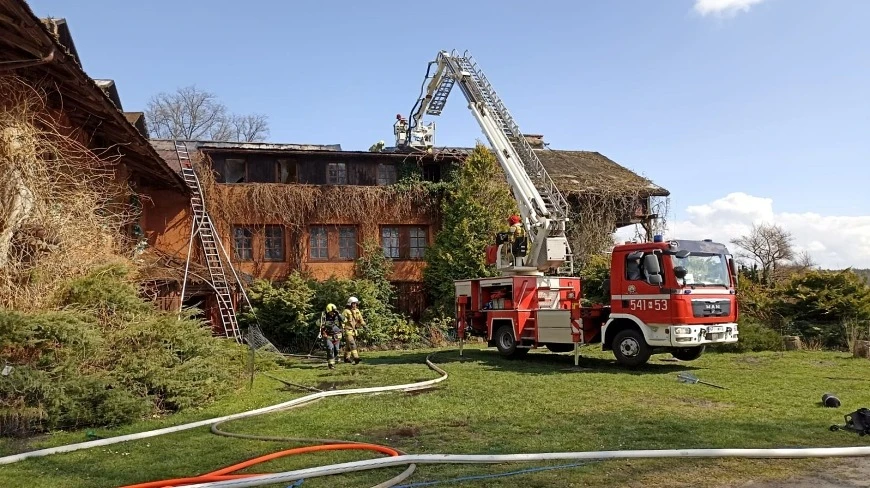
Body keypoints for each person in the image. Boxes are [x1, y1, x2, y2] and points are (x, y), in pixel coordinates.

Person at [342, 296, 365, 364]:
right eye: (353, 303)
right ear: (350, 304)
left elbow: (361, 319)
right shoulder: (346, 311)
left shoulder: (357, 311)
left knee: (349, 345)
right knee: (352, 343)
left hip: (354, 331)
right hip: (347, 330)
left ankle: (346, 358)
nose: (355, 305)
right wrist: (342, 327)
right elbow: (342, 320)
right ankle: (356, 358)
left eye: (356, 303)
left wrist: (364, 324)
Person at [320, 303, 344, 369]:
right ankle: (331, 365)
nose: (333, 313)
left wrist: (338, 314)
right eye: (331, 312)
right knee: (330, 349)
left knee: (336, 350)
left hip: (337, 336)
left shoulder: (337, 316)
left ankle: (332, 359)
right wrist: (323, 333)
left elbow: (344, 320)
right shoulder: (324, 317)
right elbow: (321, 326)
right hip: (328, 336)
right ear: (328, 311)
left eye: (334, 312)